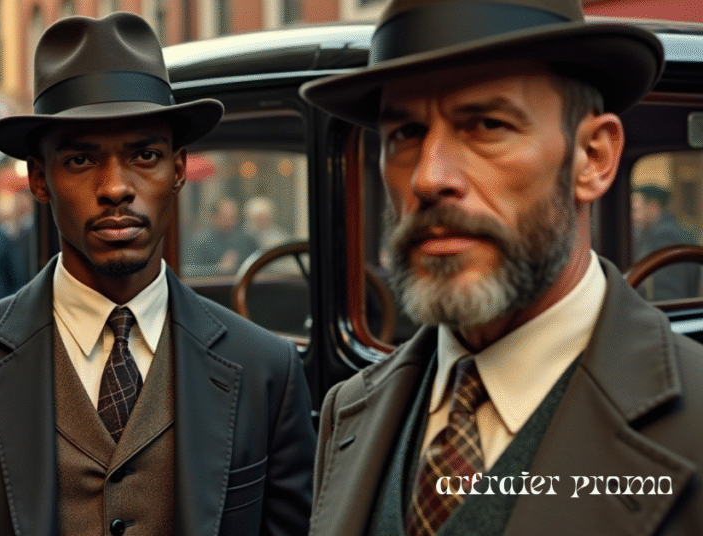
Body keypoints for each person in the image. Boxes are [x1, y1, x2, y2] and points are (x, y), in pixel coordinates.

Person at [0, 13, 315, 536]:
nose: (116, 187)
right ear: (39, 178)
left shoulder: (265, 370)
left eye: (145, 154)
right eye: (81, 160)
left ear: (178, 169)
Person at [299, 0, 703, 534]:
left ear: (592, 158)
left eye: (487, 125)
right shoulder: (351, 412)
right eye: (405, 135)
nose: (428, 178)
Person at [632, 184, 700, 300]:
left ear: (653, 208)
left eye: (636, 210)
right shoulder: (659, 232)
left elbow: (667, 294)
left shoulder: (666, 236)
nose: (633, 217)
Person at [185, 197, 259, 276]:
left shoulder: (247, 239)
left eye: (233, 217)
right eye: (225, 217)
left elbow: (258, 263)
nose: (230, 222)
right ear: (215, 217)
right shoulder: (201, 241)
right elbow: (189, 270)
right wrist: (218, 269)